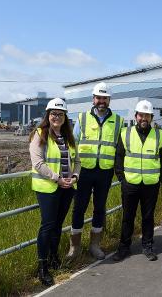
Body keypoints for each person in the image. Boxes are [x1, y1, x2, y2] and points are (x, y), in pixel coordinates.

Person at [67, 82, 123, 261]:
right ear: (93, 99)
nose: (101, 101)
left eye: (105, 98)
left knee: (99, 208)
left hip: (105, 172)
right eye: (98, 97)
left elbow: (120, 148)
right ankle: (74, 247)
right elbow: (72, 145)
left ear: (109, 100)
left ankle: (94, 245)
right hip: (83, 171)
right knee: (79, 208)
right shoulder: (82, 118)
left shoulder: (118, 121)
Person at [29, 98, 80, 286]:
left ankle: (53, 258)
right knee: (47, 226)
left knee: (58, 225)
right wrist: (57, 179)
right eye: (53, 114)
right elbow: (38, 163)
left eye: (60, 114)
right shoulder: (40, 134)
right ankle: (42, 267)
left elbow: (78, 162)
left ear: (65, 117)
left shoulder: (68, 137)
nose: (56, 117)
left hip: (67, 188)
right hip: (48, 188)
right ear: (48, 115)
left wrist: (74, 177)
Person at [112, 100, 162, 261]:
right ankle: (124, 247)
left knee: (148, 217)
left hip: (151, 184)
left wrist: (160, 180)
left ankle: (147, 246)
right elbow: (119, 157)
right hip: (130, 184)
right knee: (127, 217)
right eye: (141, 115)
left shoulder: (160, 135)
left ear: (151, 117)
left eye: (147, 115)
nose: (144, 118)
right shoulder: (125, 133)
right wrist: (122, 178)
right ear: (136, 116)